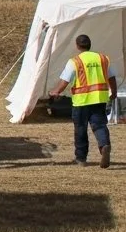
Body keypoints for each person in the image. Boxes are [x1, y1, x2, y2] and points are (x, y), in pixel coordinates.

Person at [48, 34, 119, 168]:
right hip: (99, 99)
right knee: (99, 126)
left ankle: (81, 159)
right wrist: (113, 92)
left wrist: (56, 92)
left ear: (77, 46)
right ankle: (104, 145)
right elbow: (112, 77)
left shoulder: (75, 61)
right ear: (89, 44)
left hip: (81, 101)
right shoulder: (103, 58)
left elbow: (65, 81)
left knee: (80, 129)